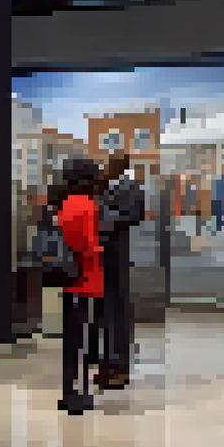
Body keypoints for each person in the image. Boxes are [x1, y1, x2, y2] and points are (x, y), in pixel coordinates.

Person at [53, 157, 106, 415]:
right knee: (84, 341)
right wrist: (99, 250)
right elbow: (87, 244)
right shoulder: (88, 206)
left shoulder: (64, 205)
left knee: (70, 341)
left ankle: (67, 391)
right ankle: (79, 395)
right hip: (86, 278)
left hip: (67, 278)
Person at [97, 154, 144, 390]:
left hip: (120, 253)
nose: (107, 166)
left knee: (119, 309)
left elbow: (135, 214)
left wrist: (107, 218)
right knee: (106, 311)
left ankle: (120, 367)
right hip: (104, 254)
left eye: (112, 163)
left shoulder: (132, 187)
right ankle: (107, 363)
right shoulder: (105, 184)